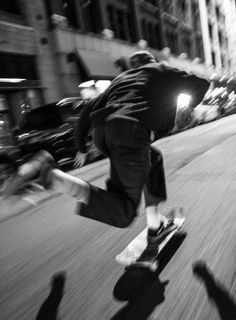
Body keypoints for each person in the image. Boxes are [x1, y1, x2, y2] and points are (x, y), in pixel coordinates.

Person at [9, 51, 210, 264]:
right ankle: (53, 177)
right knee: (123, 212)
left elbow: (86, 112)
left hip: (103, 133)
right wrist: (189, 107)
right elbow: (201, 84)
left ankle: (155, 225)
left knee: (154, 158)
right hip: (130, 130)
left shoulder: (120, 80)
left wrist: (81, 148)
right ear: (152, 61)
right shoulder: (160, 69)